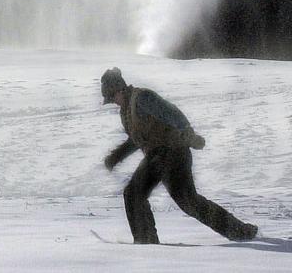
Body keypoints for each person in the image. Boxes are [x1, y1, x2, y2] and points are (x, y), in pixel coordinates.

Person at [101, 67, 257, 243]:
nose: (113, 102)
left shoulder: (142, 98)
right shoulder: (126, 111)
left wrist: (189, 135)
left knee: (144, 194)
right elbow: (136, 139)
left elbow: (172, 113)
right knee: (179, 201)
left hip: (173, 152)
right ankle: (240, 231)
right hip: (161, 156)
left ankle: (146, 242)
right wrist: (116, 156)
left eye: (112, 97)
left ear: (120, 89)